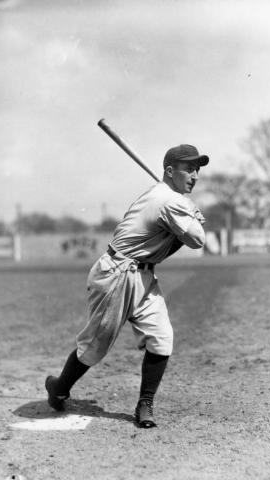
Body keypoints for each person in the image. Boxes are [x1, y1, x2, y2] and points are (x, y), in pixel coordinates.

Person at [45, 144, 209, 428]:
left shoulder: (167, 197)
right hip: (116, 273)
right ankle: (58, 387)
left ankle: (145, 404)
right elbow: (198, 239)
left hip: (143, 274)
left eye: (197, 169)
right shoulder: (169, 200)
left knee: (162, 338)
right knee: (96, 346)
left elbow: (165, 248)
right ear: (170, 171)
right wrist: (193, 215)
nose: (194, 175)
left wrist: (189, 218)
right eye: (188, 169)